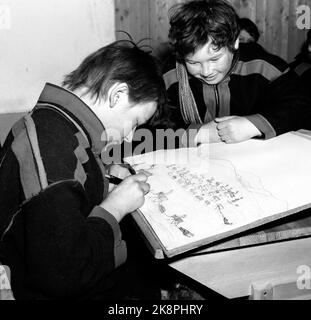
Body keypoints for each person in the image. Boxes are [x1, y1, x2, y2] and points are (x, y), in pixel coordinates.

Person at [0, 40, 167, 299]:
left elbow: (66, 193)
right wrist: (117, 205)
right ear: (117, 94)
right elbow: (65, 272)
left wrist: (104, 182)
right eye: (135, 122)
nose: (128, 136)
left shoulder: (57, 123)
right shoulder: (52, 142)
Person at [162, 0, 311, 145]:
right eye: (193, 62)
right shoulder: (169, 75)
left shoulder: (262, 66)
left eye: (215, 59)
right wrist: (199, 134)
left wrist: (253, 125)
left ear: (235, 42)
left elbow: (301, 106)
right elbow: (149, 132)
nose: (206, 72)